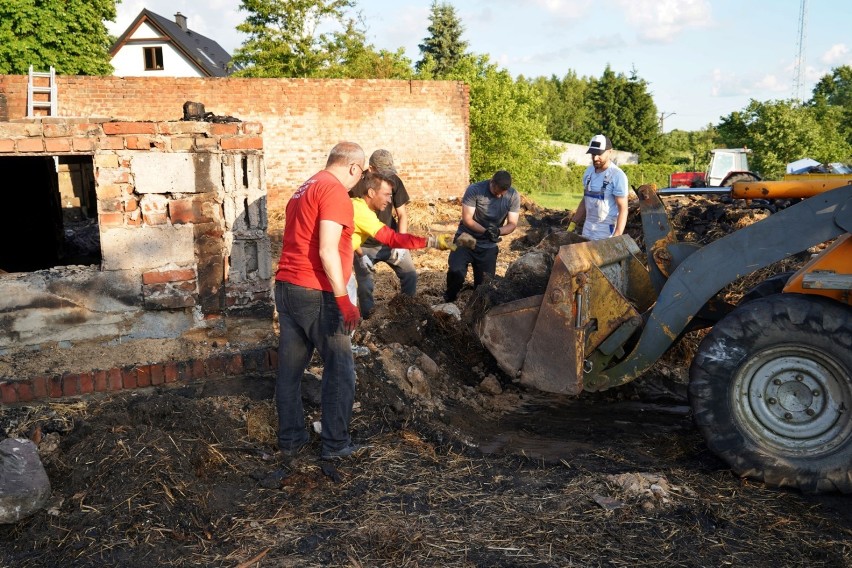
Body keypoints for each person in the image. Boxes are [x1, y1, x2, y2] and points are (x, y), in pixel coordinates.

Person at [273, 141, 366, 460]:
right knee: (340, 369)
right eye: (361, 173)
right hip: (316, 292)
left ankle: (291, 440)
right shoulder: (335, 191)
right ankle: (336, 445)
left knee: (290, 373)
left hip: (287, 288)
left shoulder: (304, 187)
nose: (360, 180)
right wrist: (344, 299)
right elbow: (327, 249)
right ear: (354, 167)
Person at [351, 170, 455, 295]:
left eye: (390, 196)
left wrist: (361, 255)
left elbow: (350, 236)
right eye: (386, 195)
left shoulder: (358, 206)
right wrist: (432, 242)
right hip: (334, 266)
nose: (390, 201)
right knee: (358, 290)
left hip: (336, 262)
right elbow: (391, 238)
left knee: (410, 274)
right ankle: (367, 315)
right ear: (371, 193)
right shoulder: (362, 212)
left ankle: (408, 306)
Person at [352, 149, 416, 318]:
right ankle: (369, 319)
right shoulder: (355, 185)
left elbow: (402, 214)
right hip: (364, 244)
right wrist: (359, 254)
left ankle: (407, 313)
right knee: (365, 286)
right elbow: (347, 225)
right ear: (371, 169)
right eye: (382, 172)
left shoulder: (394, 181)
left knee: (410, 274)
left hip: (390, 241)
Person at [445, 170, 520, 302]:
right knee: (456, 271)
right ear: (492, 182)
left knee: (484, 286)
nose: (499, 196)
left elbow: (512, 223)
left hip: (488, 244)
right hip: (466, 238)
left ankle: (475, 310)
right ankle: (449, 299)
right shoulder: (475, 190)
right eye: (497, 192)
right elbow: (467, 219)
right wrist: (485, 231)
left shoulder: (513, 195)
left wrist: (497, 231)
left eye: (503, 193)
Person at [569, 134, 629, 241]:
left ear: (610, 152)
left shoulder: (617, 175)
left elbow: (623, 208)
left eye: (599, 154)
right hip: (587, 228)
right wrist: (573, 224)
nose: (595, 158)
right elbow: (585, 200)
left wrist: (617, 235)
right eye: (593, 154)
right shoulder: (589, 172)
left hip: (605, 231)